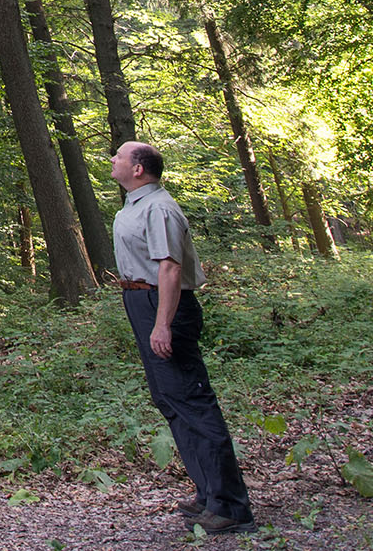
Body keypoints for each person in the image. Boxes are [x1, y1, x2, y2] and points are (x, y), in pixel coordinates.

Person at [108, 141, 254, 534]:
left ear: (138, 169)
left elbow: (170, 269)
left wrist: (162, 323)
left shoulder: (159, 207)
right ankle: (209, 494)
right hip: (142, 300)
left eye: (119, 156)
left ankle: (231, 506)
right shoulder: (135, 205)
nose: (113, 160)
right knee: (170, 399)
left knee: (192, 400)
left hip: (164, 304)